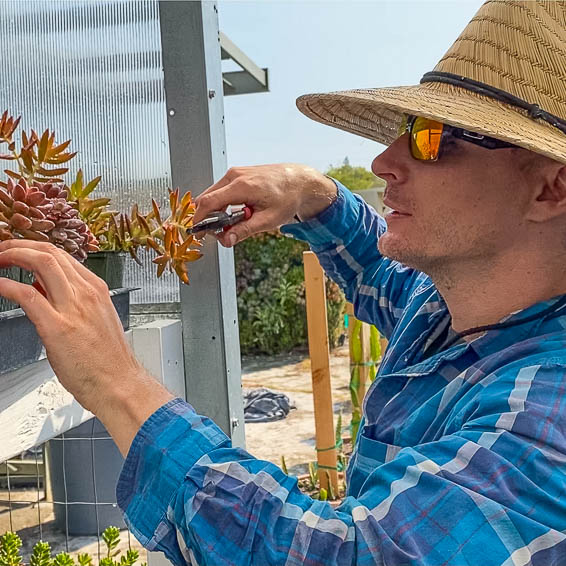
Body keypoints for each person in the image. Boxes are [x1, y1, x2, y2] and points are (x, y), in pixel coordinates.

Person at [1, 0, 565, 564]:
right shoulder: (455, 312)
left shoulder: (546, 419)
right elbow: (382, 276)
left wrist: (117, 383)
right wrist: (311, 194)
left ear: (550, 189)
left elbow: (337, 554)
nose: (383, 161)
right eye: (407, 130)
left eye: (434, 139)